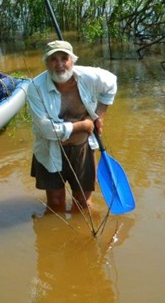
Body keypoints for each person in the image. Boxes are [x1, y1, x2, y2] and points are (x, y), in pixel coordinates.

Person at [27, 40, 117, 213]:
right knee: (54, 203)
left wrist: (101, 115)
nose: (59, 64)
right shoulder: (35, 88)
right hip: (49, 150)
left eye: (64, 58)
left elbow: (111, 83)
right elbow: (47, 130)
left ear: (72, 60)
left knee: (83, 204)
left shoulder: (89, 76)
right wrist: (84, 125)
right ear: (46, 63)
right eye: (53, 59)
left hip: (82, 149)